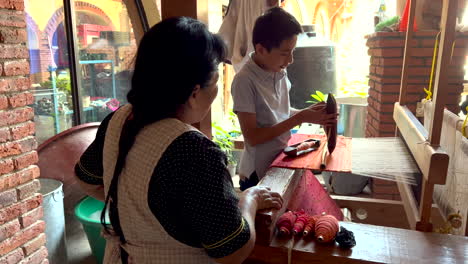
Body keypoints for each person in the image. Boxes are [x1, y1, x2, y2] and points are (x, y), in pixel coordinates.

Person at [74, 17, 283, 264]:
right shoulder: (194, 150)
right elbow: (233, 251)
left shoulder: (117, 121)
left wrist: (136, 215)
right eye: (215, 82)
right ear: (194, 93)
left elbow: (86, 180)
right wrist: (250, 199)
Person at [231, 7, 337, 191]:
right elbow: (253, 137)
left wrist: (309, 113)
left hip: (280, 158)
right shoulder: (244, 81)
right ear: (261, 49)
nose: (291, 60)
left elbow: (280, 112)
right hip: (257, 173)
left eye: (292, 51)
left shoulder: (278, 70)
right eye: (284, 53)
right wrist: (300, 118)